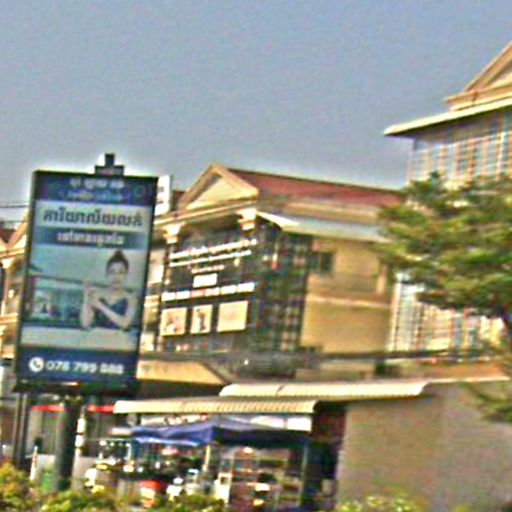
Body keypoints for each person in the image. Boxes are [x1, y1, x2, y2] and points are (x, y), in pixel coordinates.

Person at [80, 250, 137, 330]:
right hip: (97, 336)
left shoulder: (131, 298)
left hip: (119, 337)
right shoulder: (97, 295)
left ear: (126, 275)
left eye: (120, 272)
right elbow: (85, 324)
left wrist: (101, 306)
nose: (116, 277)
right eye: (112, 272)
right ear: (106, 275)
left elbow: (124, 324)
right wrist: (86, 296)